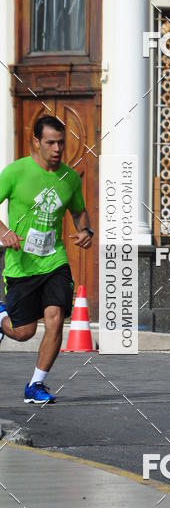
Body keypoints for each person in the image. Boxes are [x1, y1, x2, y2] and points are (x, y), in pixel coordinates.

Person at [0, 115, 94, 403]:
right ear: (36, 142)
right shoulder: (15, 172)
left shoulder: (68, 178)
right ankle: (1, 316)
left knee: (55, 318)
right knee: (24, 332)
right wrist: (4, 232)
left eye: (61, 143)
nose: (57, 149)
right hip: (21, 264)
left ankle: (36, 385)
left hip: (54, 260)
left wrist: (86, 230)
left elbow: (79, 211)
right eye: (51, 142)